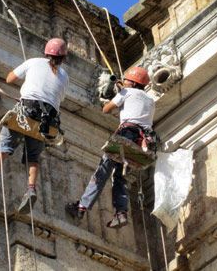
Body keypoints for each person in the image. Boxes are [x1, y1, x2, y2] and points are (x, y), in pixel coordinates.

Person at [0, 38, 69, 214]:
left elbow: (10, 79)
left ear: (46, 52)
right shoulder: (64, 76)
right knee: (33, 157)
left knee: (4, 148)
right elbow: (58, 98)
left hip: (27, 111)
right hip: (48, 123)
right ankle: (31, 188)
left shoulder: (34, 62)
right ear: (63, 57)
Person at [65, 66, 156, 229]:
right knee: (121, 178)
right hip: (141, 142)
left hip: (126, 135)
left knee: (102, 171)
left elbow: (106, 109)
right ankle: (121, 213)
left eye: (127, 80)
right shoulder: (150, 101)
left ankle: (81, 207)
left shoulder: (127, 92)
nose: (125, 82)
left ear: (134, 83)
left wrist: (119, 95)